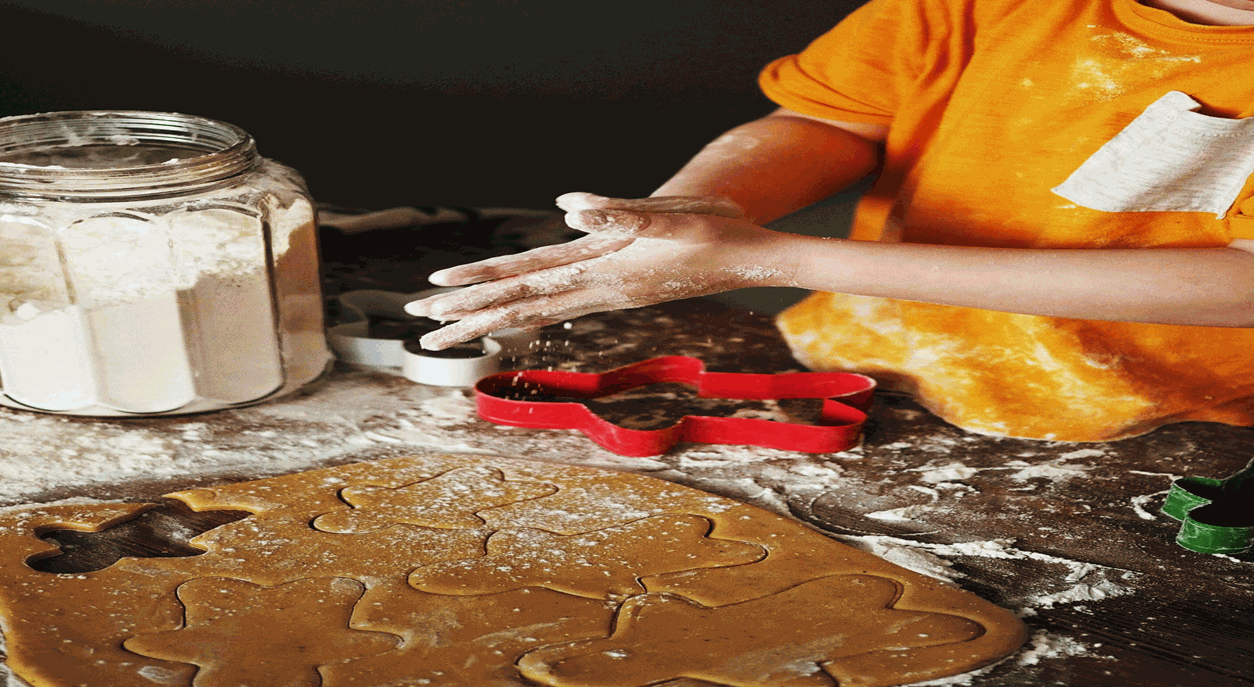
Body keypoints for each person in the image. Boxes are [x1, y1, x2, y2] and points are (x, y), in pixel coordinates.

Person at [405, 0, 1254, 442]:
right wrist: (698, 212)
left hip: (1174, 416)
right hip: (879, 355)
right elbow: (833, 120)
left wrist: (764, 259)